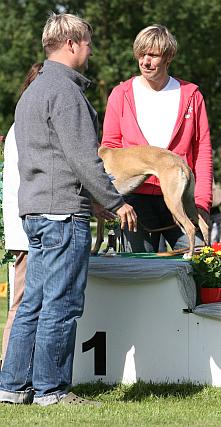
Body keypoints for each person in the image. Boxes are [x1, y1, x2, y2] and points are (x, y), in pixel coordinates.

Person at [0, 13, 136, 406]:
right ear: (72, 43)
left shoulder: (32, 92)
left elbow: (53, 160)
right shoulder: (66, 91)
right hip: (61, 215)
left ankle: (12, 386)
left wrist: (93, 201)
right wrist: (114, 201)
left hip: (37, 212)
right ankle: (52, 390)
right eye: (88, 44)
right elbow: (83, 159)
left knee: (33, 302)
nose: (90, 52)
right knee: (61, 304)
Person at [102, 24, 212, 253]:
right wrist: (112, 201)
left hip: (179, 194)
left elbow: (203, 152)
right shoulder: (120, 94)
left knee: (201, 260)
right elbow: (109, 149)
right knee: (139, 269)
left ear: (168, 57)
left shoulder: (191, 95)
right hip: (134, 202)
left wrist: (202, 202)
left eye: (153, 55)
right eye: (141, 54)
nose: (145, 61)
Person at [1, 63, 43, 365]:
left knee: (23, 302)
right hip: (28, 227)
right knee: (22, 303)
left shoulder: (21, 124)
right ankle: (9, 366)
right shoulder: (27, 126)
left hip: (25, 225)